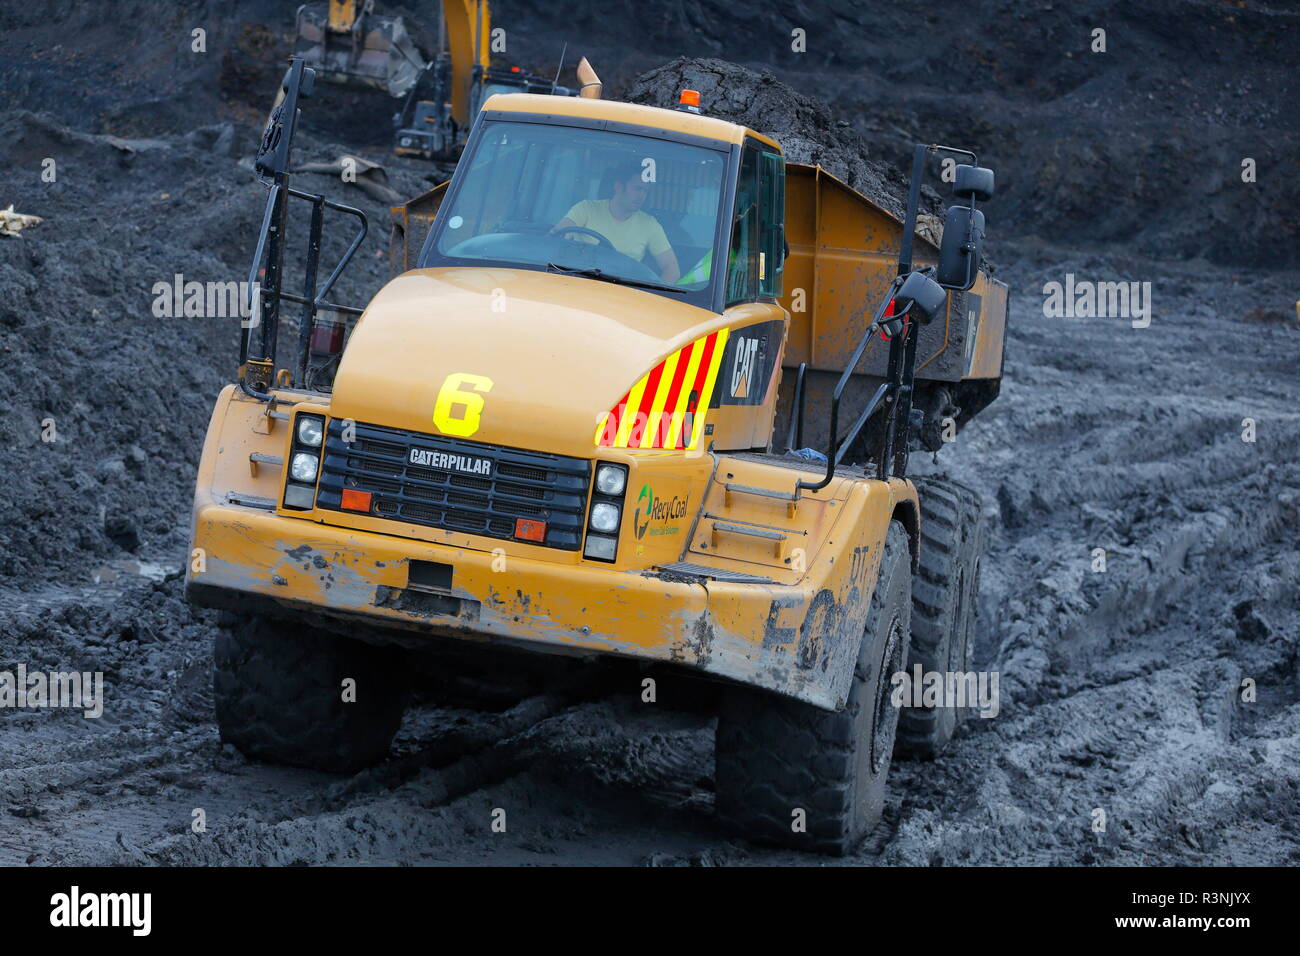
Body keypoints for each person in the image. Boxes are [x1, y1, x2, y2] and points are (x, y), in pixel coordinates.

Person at [552, 160, 680, 283]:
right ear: (618, 187)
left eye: (645, 191)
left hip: (621, 292)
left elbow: (672, 269)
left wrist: (651, 296)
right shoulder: (586, 208)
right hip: (577, 280)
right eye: (637, 189)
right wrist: (565, 237)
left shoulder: (650, 225)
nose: (642, 196)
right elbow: (559, 234)